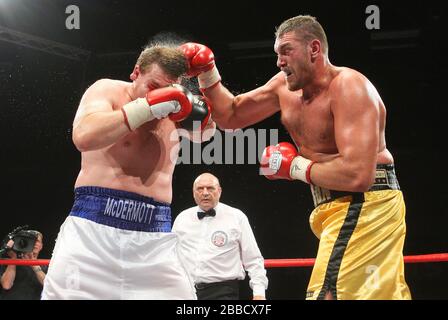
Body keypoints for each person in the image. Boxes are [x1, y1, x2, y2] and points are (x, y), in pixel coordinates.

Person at [180, 15, 411, 300]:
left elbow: (358, 176)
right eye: (277, 53)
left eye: (286, 51)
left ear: (314, 49)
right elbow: (231, 115)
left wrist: (294, 167)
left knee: (329, 294)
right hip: (335, 206)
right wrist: (207, 72)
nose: (279, 61)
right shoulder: (283, 87)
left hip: (366, 205)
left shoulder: (349, 87)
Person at [42, 41, 215, 300]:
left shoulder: (178, 107)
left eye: (170, 90)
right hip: (91, 235)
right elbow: (84, 136)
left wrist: (207, 79)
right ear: (136, 72)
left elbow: (208, 133)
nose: (162, 96)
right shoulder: (107, 90)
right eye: (154, 87)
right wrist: (145, 107)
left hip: (154, 239)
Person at [172, 173, 268, 300]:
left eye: (210, 188)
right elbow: (171, 256)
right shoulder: (182, 218)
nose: (205, 193)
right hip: (184, 291)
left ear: (219, 191)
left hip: (222, 292)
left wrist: (259, 293)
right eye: (200, 189)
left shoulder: (236, 217)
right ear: (193, 192)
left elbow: (253, 259)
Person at [1, 231, 47, 300]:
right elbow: (6, 285)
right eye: (31, 240)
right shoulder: (8, 263)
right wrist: (13, 258)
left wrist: (34, 265)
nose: (34, 243)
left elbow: (49, 286)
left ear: (41, 246)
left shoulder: (46, 265)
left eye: (37, 241)